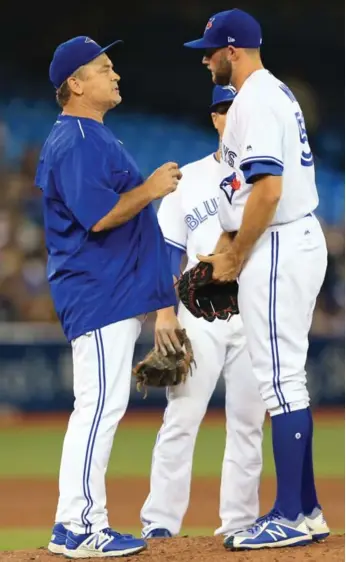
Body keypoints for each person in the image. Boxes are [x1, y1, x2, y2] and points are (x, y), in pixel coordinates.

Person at [184, 9, 330, 551]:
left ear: (232, 50)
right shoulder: (271, 94)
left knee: (281, 380)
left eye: (209, 50)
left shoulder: (255, 99)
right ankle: (308, 509)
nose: (204, 59)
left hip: (278, 241)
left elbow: (267, 192)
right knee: (286, 376)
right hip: (283, 240)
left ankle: (289, 514)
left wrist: (237, 256)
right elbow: (247, 190)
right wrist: (227, 247)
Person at [35, 35, 182, 559]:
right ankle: (75, 525)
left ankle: (82, 521)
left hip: (111, 293)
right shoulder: (75, 138)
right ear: (75, 83)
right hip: (97, 292)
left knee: (102, 406)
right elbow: (97, 216)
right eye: (103, 67)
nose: (115, 75)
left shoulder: (93, 135)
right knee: (96, 407)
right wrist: (150, 188)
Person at [140, 85, 266, 539]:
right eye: (226, 109)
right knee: (181, 417)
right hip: (197, 313)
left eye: (242, 109)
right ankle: (160, 524)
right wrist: (163, 314)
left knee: (249, 423)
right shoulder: (188, 179)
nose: (234, 116)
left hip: (254, 312)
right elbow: (164, 252)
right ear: (215, 117)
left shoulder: (268, 177)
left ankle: (240, 523)